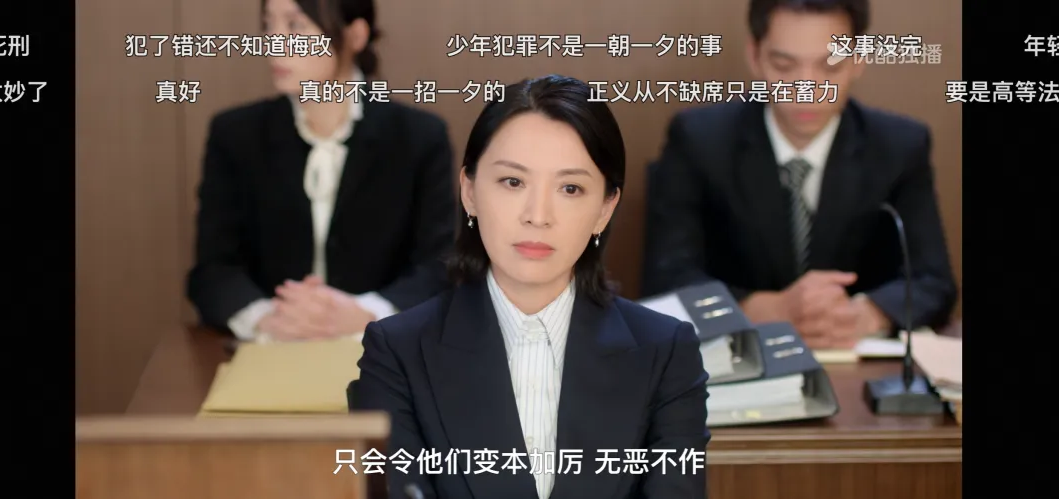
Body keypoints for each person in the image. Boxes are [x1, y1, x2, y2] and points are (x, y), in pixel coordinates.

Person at [353, 75, 710, 499]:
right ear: (469, 191)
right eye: (513, 182)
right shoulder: (396, 352)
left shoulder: (665, 351)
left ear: (604, 208)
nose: (537, 215)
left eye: (570, 188)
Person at [642, 0, 957, 349]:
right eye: (784, 65)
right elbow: (664, 279)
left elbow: (934, 281)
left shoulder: (899, 146)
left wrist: (864, 314)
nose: (807, 87)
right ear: (755, 56)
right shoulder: (698, 140)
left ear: (858, 59)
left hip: (854, 362)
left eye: (830, 66)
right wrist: (766, 309)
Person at [187, 0, 456, 341]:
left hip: (381, 347)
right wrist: (268, 317)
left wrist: (368, 313)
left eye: (295, 26)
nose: (274, 43)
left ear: (355, 35)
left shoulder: (419, 137)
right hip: (271, 347)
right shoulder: (235, 135)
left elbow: (438, 267)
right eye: (269, 26)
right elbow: (212, 271)